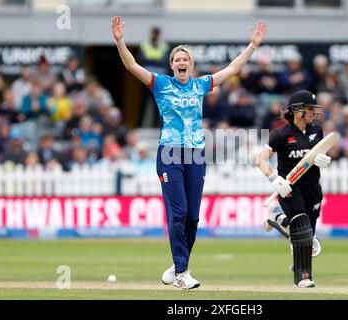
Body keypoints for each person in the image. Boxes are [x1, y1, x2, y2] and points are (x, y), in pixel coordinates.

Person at [112, 16, 268, 290]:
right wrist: (120, 41)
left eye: (185, 59)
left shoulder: (200, 85)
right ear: (172, 65)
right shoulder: (160, 84)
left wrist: (253, 46)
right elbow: (131, 65)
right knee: (179, 212)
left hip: (196, 155)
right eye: (177, 59)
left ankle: (178, 266)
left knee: (193, 217)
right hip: (170, 154)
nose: (181, 62)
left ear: (191, 65)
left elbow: (232, 69)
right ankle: (183, 272)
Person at [255, 90, 331, 288]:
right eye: (310, 109)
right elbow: (260, 159)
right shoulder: (281, 134)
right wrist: (274, 179)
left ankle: (279, 220)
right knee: (302, 228)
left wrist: (324, 159)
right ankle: (303, 276)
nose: (314, 112)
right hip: (289, 188)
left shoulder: (317, 131)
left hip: (313, 187)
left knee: (309, 233)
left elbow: (318, 154)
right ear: (298, 111)